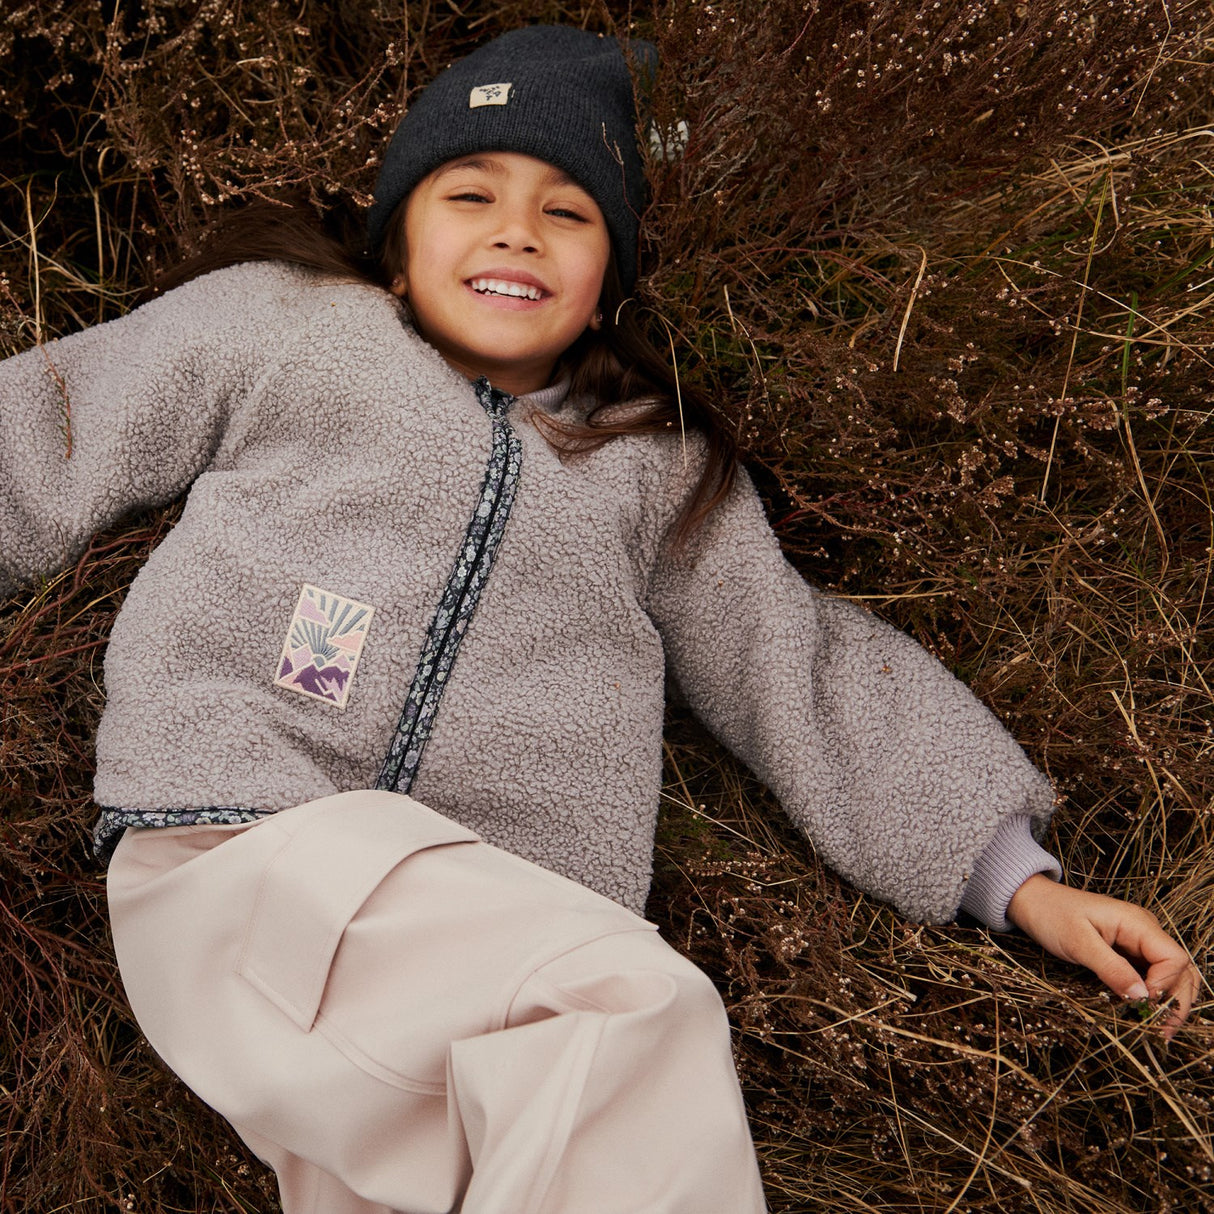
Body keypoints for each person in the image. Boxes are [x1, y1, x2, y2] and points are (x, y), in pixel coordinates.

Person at [0, 24, 1198, 1214]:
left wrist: (1011, 874)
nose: (516, 229)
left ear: (605, 281)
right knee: (634, 1018)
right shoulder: (289, 326)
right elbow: (60, 422)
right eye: (470, 194)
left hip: (471, 979)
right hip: (240, 851)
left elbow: (793, 664)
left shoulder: (652, 465)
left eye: (567, 212)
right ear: (396, 249)